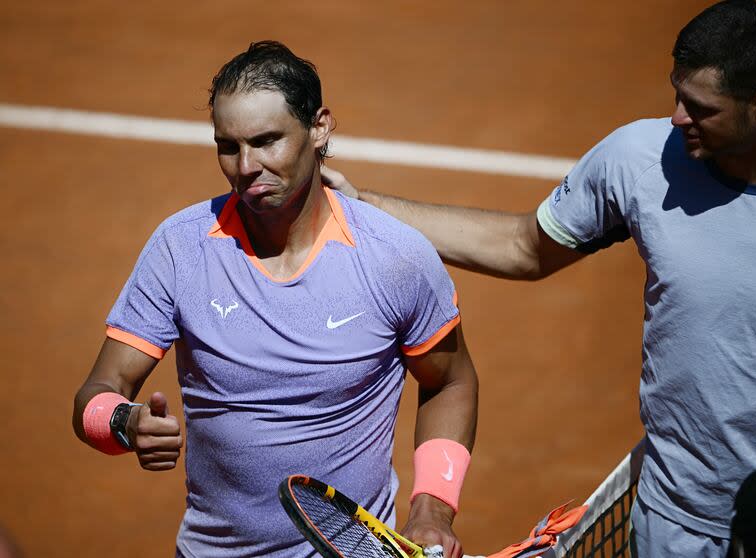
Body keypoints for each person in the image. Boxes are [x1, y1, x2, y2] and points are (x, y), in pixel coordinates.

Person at [322, 1, 756, 556]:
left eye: (700, 107)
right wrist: (365, 206)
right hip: (675, 521)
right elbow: (523, 247)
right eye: (676, 92)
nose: (677, 116)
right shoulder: (639, 160)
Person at [72, 41, 478, 558]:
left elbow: (451, 380)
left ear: (320, 127)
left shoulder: (394, 257)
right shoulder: (180, 248)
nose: (246, 166)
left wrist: (432, 509)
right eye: (228, 146)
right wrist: (122, 423)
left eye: (267, 141)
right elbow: (99, 391)